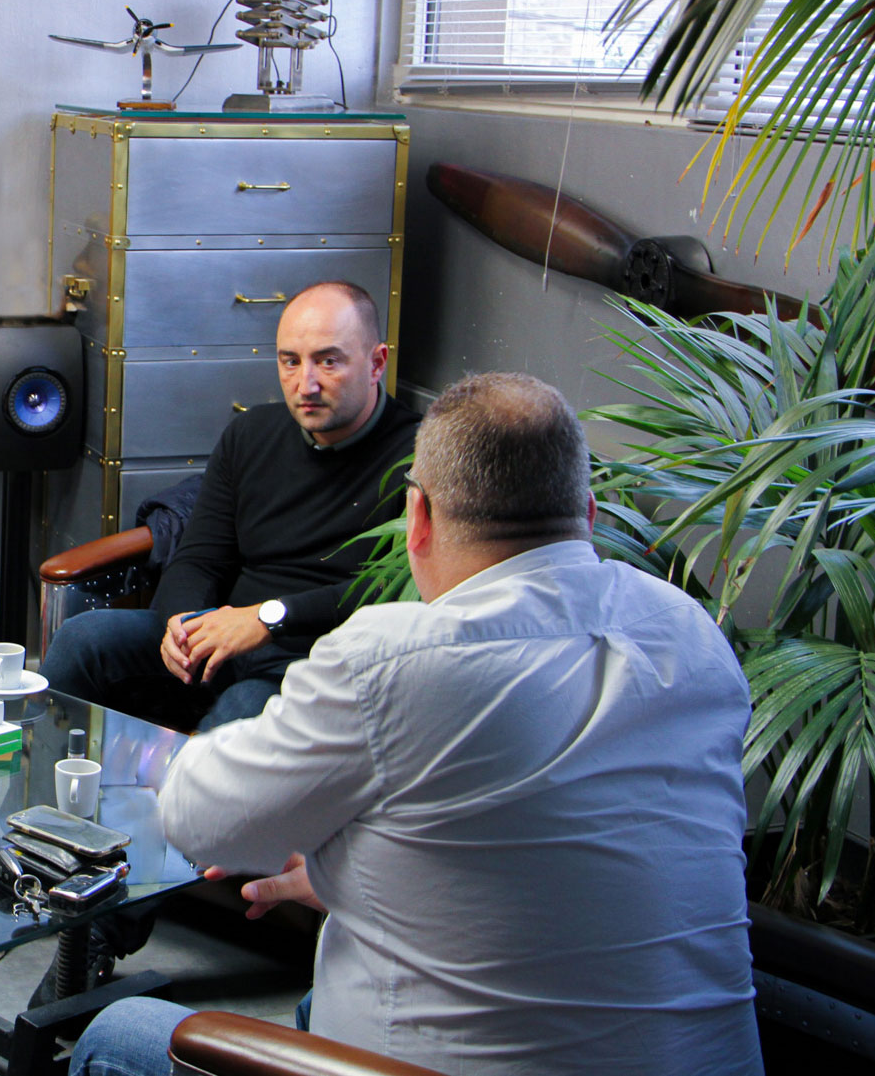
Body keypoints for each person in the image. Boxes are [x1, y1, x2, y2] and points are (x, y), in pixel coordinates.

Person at [69, 373, 761, 1076]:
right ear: (584, 511)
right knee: (320, 992)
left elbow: (197, 819)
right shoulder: (690, 634)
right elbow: (576, 838)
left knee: (119, 1032)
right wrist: (357, 862)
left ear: (418, 518)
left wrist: (156, 765)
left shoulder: (394, 655)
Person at [41, 281, 421, 731]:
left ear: (377, 362)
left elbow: (399, 591)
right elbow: (199, 557)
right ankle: (45, 796)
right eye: (290, 362)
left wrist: (268, 617)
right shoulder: (251, 434)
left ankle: (177, 802)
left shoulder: (420, 454)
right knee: (79, 641)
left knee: (238, 716)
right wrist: (178, 624)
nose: (306, 384)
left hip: (313, 659)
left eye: (329, 361)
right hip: (221, 638)